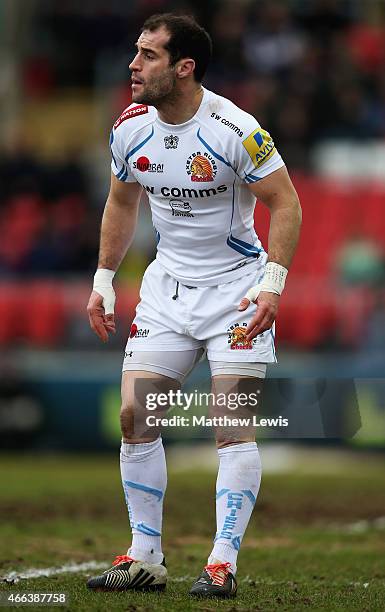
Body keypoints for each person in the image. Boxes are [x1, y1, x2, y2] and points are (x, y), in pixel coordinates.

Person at [86, 12, 301, 599]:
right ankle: (145, 557)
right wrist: (105, 277)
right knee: (135, 416)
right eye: (136, 52)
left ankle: (221, 563)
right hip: (167, 291)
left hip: (237, 292)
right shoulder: (130, 128)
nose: (133, 64)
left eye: (148, 55)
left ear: (184, 67)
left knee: (231, 427)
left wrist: (272, 283)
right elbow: (122, 202)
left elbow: (285, 204)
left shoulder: (235, 129)